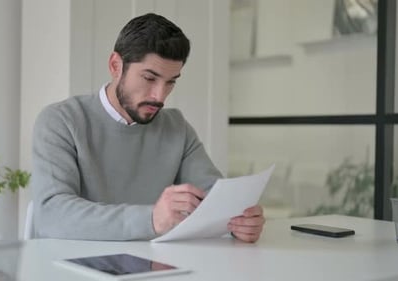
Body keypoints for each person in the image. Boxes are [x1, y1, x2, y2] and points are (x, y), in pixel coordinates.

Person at [32, 13, 265, 243]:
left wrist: (238, 221)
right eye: (149, 78)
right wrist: (151, 219)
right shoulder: (61, 121)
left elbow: (214, 200)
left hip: (156, 264)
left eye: (171, 82)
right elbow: (52, 215)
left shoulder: (177, 128)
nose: (159, 96)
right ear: (115, 66)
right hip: (74, 265)